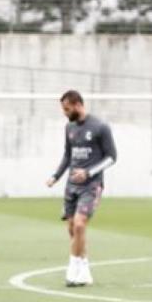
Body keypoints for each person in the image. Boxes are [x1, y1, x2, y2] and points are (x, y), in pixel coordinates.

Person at [45, 90, 117, 287]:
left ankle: (72, 268)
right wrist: (56, 176)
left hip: (91, 186)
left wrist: (89, 173)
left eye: (67, 109)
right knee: (72, 229)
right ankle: (84, 269)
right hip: (71, 187)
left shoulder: (100, 127)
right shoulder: (69, 128)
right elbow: (67, 156)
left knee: (79, 225)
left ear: (78, 105)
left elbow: (111, 157)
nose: (64, 113)